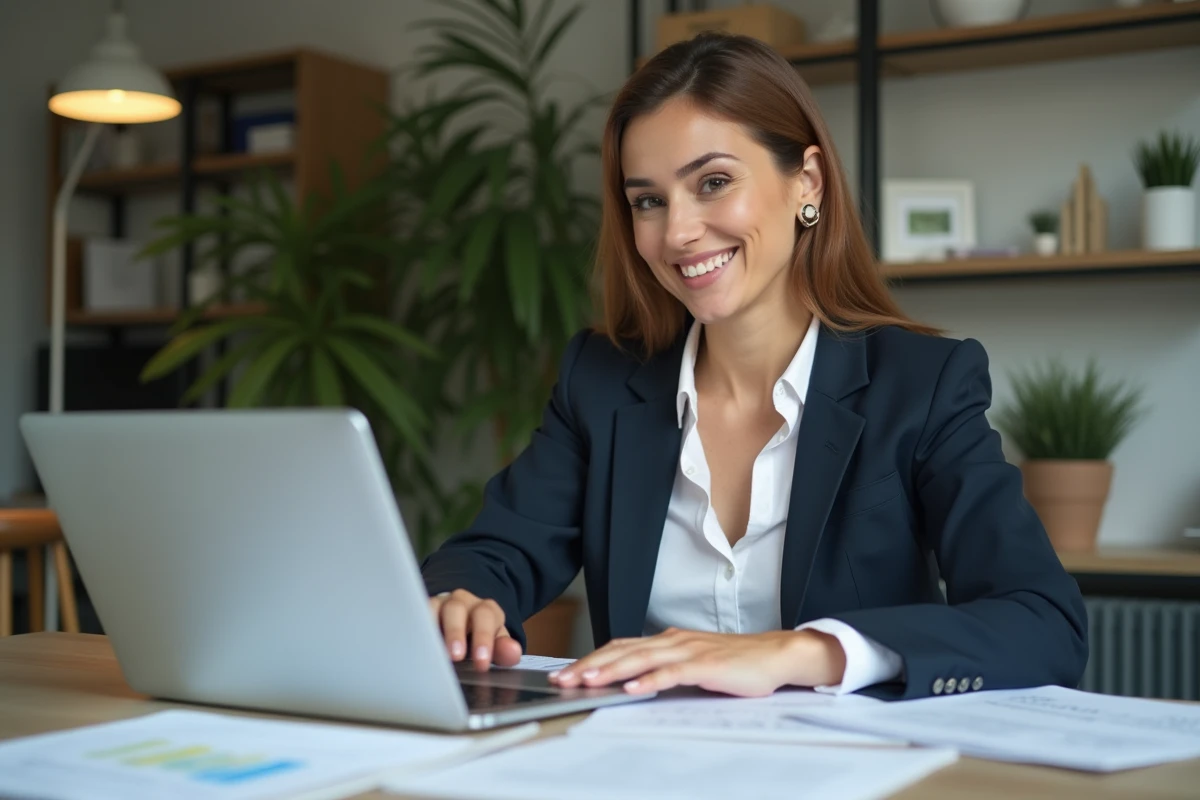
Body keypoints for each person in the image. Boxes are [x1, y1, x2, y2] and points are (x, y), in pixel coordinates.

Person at [421, 32, 1087, 701]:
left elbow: (1044, 623)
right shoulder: (600, 381)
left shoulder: (920, 384)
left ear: (808, 184)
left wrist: (801, 652)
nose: (677, 232)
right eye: (647, 200)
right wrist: (461, 600)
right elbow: (492, 554)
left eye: (713, 183)